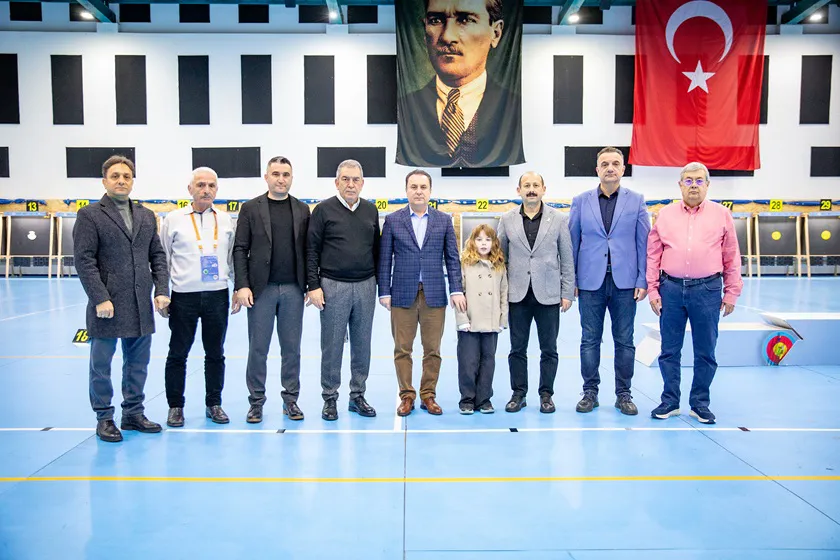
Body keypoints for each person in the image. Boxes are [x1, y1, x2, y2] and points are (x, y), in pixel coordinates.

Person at [73, 155, 170, 442]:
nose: (121, 181)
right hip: (108, 305)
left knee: (138, 364)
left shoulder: (145, 215)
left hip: (140, 303)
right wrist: (99, 297)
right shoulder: (90, 215)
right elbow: (84, 260)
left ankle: (133, 413)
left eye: (126, 176)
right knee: (101, 365)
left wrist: (161, 290)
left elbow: (157, 256)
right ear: (105, 181)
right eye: (115, 176)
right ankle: (104, 417)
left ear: (132, 181)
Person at [646, 162, 743, 425]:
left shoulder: (722, 215)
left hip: (707, 290)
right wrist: (653, 289)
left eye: (699, 181)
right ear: (680, 185)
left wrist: (732, 292)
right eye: (688, 181)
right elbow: (653, 254)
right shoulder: (665, 215)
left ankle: (700, 404)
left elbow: (731, 255)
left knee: (705, 351)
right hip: (670, 289)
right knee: (669, 349)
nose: (693, 186)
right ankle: (669, 401)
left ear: (707, 185)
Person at [569, 147, 650, 416]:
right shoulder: (581, 201)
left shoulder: (636, 201)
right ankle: (589, 392)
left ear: (623, 169)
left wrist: (642, 279)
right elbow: (572, 243)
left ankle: (623, 394)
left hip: (625, 283)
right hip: (590, 282)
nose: (610, 168)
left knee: (624, 341)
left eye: (615, 163)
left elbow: (644, 243)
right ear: (597, 170)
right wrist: (572, 280)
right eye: (604, 164)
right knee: (589, 340)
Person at [378, 169, 466, 416]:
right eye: (414, 187)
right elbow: (385, 259)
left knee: (432, 349)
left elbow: (452, 258)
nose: (418, 191)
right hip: (401, 293)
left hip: (434, 294)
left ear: (430, 191)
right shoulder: (393, 220)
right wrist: (384, 291)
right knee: (402, 349)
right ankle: (406, 395)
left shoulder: (444, 220)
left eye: (423, 187)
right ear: (406, 190)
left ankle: (428, 395)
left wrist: (456, 289)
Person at [396, 0, 524, 168]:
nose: (447, 37)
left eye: (466, 20)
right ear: (424, 30)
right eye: (436, 20)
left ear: (496, 33)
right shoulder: (407, 106)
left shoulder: (512, 105)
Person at [233, 156, 310, 423]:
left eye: (285, 174)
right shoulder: (250, 208)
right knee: (258, 349)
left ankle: (291, 400)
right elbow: (240, 249)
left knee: (292, 349)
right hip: (261, 290)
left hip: (293, 289)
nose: (281, 179)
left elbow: (309, 250)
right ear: (266, 177)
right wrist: (242, 285)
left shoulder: (302, 209)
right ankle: (256, 402)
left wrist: (310, 284)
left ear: (291, 178)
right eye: (275, 174)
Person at [160, 167, 235, 427]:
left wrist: (238, 287)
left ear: (217, 190)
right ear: (190, 189)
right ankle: (175, 406)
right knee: (177, 353)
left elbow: (231, 258)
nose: (206, 190)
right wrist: (162, 292)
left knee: (215, 353)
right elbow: (162, 258)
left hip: (217, 296)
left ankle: (214, 403)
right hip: (184, 296)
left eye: (211, 185)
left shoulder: (225, 220)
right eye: (201, 185)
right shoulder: (173, 219)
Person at [307, 160, 379, 421]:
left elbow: (377, 250)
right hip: (332, 286)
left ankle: (357, 395)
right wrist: (313, 286)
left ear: (362, 183)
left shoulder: (370, 210)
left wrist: (379, 286)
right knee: (332, 344)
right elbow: (311, 250)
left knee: (362, 345)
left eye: (355, 179)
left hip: (366, 285)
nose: (351, 184)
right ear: (337, 182)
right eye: (346, 179)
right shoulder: (323, 210)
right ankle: (330, 397)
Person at [497, 171, 575, 414]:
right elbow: (500, 259)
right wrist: (500, 293)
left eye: (535, 185)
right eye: (526, 185)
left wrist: (567, 292)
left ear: (543, 189)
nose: (531, 189)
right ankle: (518, 393)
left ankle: (546, 395)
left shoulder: (559, 219)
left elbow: (567, 257)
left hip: (548, 294)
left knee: (549, 349)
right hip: (517, 294)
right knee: (517, 349)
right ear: (518, 190)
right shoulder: (506, 219)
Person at [455, 224, 508, 414]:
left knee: (488, 361)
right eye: (479, 239)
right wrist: (462, 319)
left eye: (488, 239)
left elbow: (504, 293)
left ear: (494, 243)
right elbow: (458, 293)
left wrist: (502, 320)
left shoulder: (499, 265)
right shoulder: (465, 264)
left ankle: (484, 399)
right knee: (468, 361)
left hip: (491, 321)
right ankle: (467, 399)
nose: (483, 243)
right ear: (472, 242)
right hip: (470, 321)